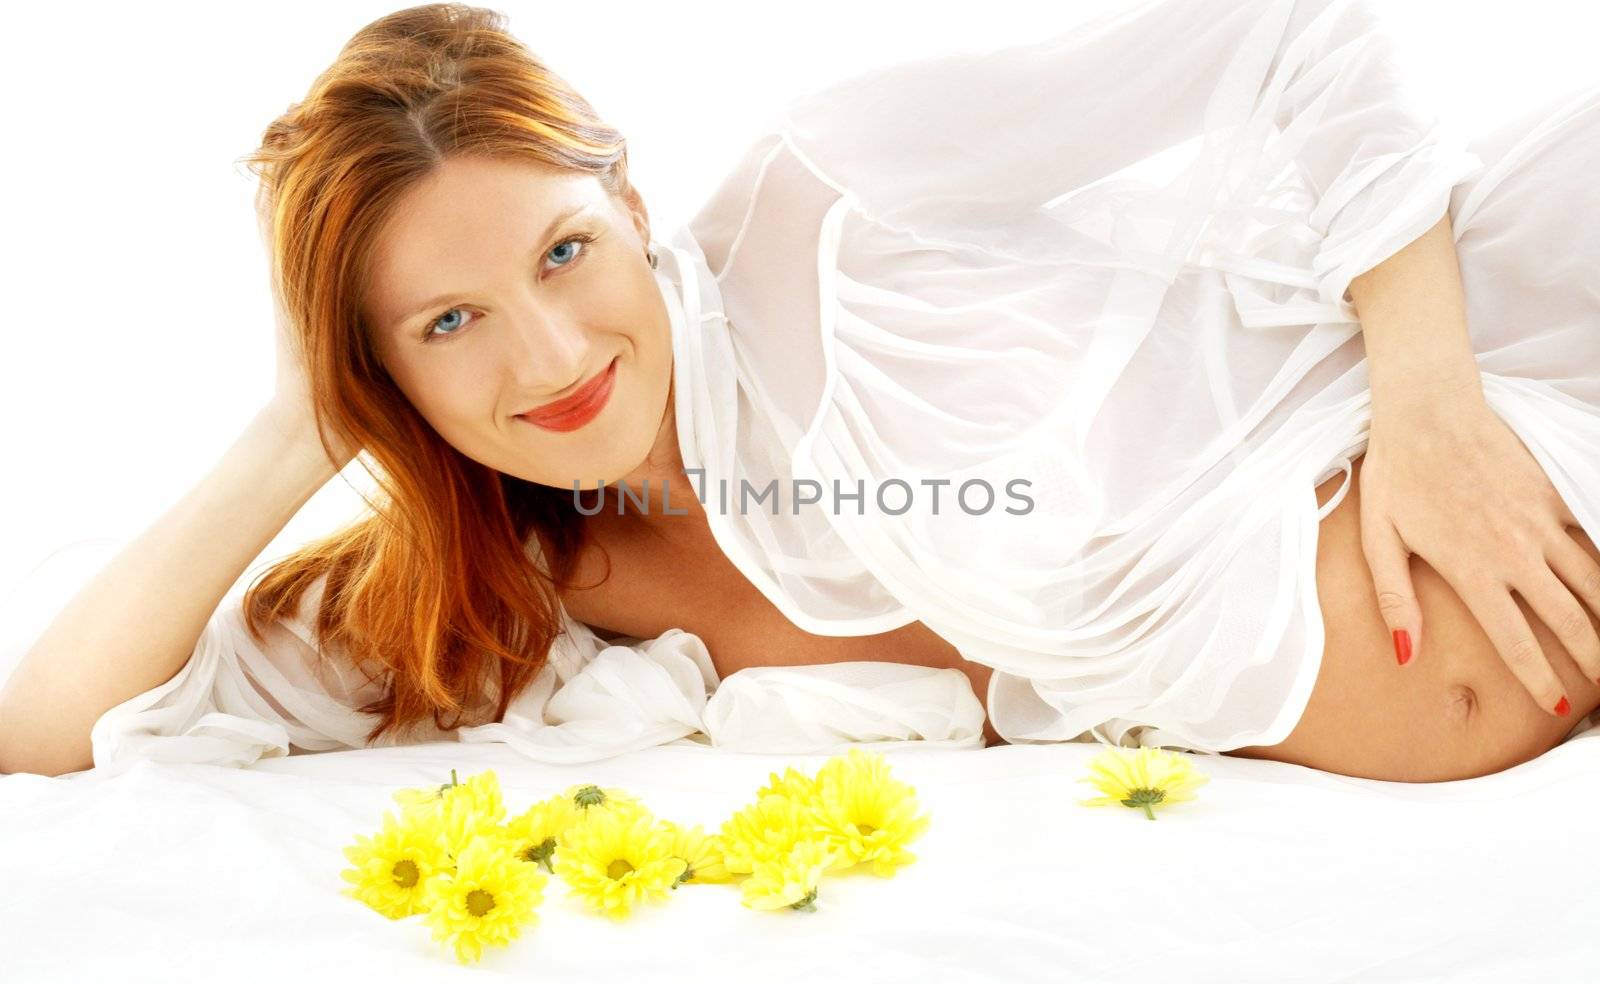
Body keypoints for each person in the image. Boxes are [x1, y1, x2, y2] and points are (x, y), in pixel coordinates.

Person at [3, 0, 1598, 782]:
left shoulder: (828, 198)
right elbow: (43, 743)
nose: (549, 362)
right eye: (448, 324)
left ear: (625, 193)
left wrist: (1433, 403)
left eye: (563, 253)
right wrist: (294, 423)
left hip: (1531, 383)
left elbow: (1294, 30)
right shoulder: (514, 588)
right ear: (379, 369)